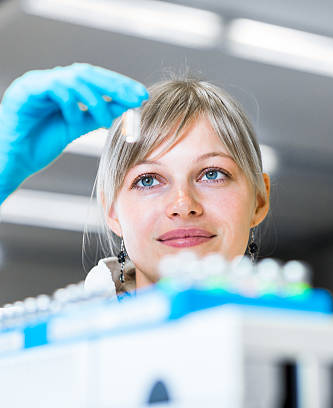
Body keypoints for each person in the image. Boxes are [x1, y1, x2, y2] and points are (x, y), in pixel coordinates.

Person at [0, 64, 271, 296]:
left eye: (212, 174)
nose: (182, 204)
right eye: (149, 180)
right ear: (111, 209)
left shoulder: (309, 335)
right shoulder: (53, 342)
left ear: (259, 199)